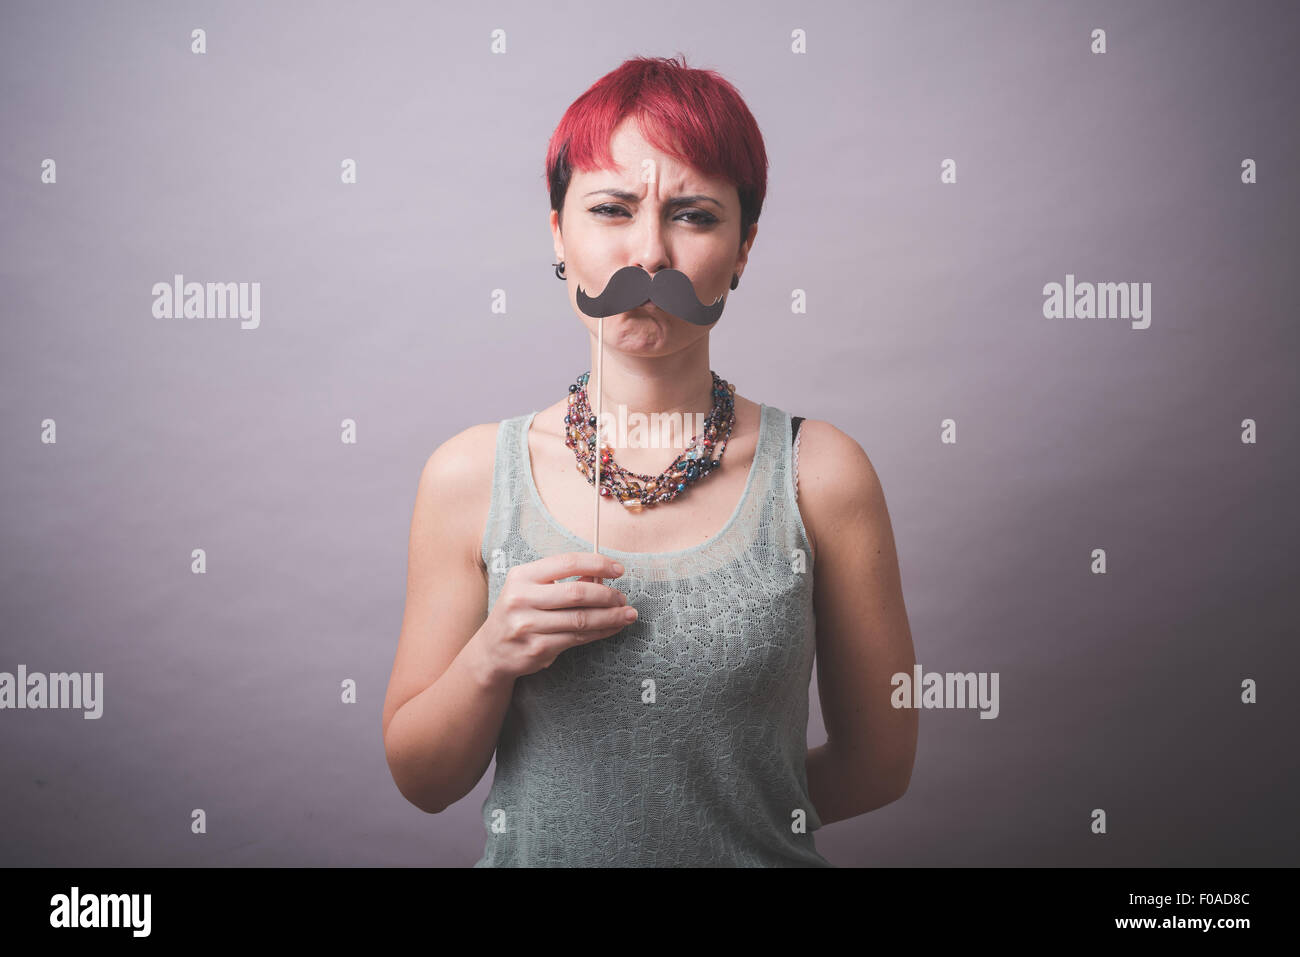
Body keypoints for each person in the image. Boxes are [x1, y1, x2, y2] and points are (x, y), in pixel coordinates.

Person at [382, 54, 917, 866]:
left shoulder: (822, 474)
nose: (650, 255)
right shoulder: (468, 477)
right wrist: (491, 654)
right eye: (611, 208)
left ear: (744, 249)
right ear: (558, 233)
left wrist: (728, 816)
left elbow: (880, 764)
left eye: (695, 215)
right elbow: (422, 781)